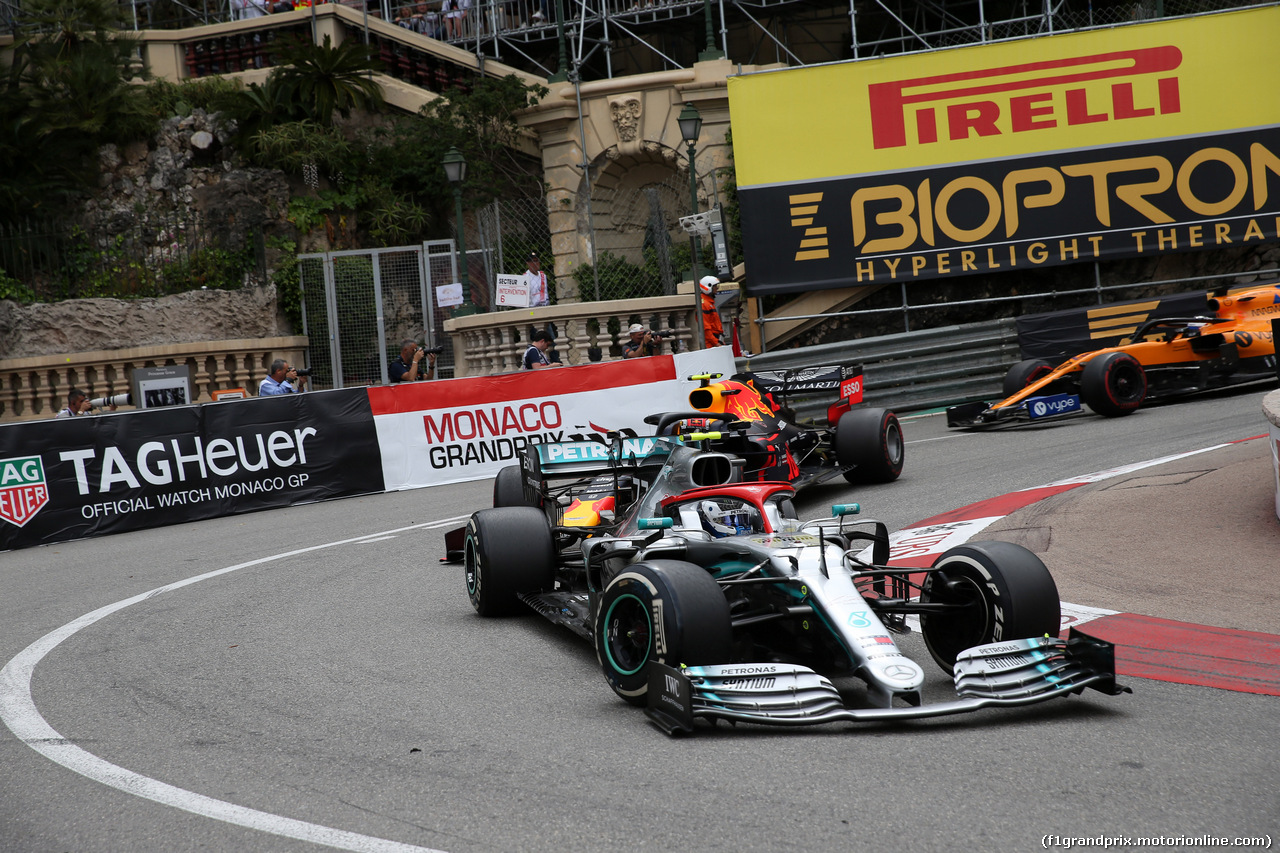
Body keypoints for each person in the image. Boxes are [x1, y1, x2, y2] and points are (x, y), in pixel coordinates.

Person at [699, 275, 724, 349]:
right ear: (708, 287)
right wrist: (716, 343)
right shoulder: (704, 304)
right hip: (711, 344)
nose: (717, 288)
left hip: (715, 341)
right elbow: (706, 328)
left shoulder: (708, 303)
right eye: (715, 286)